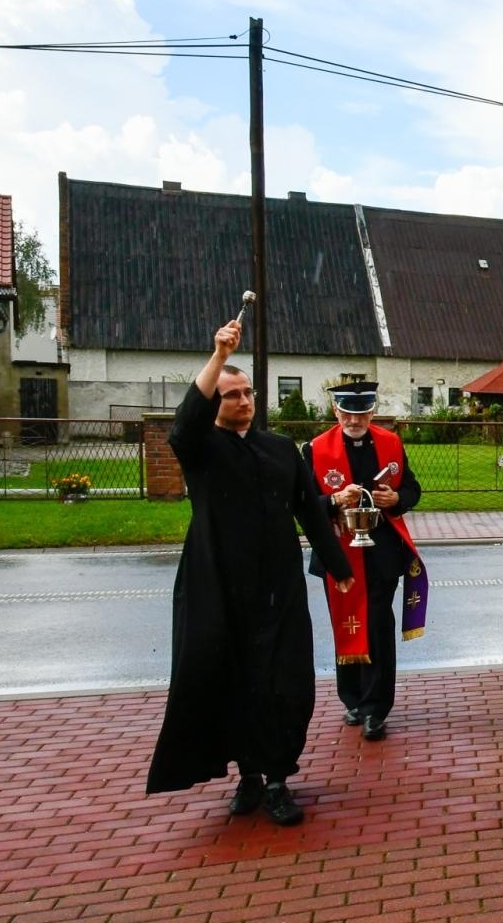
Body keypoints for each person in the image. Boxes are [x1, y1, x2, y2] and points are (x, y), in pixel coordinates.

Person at [146, 318, 355, 826]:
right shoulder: (201, 450)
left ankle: (279, 777)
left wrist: (338, 565)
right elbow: (183, 424)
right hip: (221, 586)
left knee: (286, 682)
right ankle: (249, 778)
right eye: (231, 395)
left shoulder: (280, 449)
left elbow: (308, 507)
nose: (243, 401)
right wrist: (218, 354)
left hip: (279, 587)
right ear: (216, 404)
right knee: (234, 682)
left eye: (247, 393)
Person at [303, 381, 427, 742]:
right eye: (347, 412)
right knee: (346, 620)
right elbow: (303, 502)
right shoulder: (314, 449)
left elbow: (414, 489)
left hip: (382, 553)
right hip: (337, 551)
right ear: (335, 411)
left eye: (362, 413)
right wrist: (333, 501)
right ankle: (353, 699)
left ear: (372, 412)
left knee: (376, 625)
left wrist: (397, 499)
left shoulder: (391, 444)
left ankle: (376, 708)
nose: (354, 419)